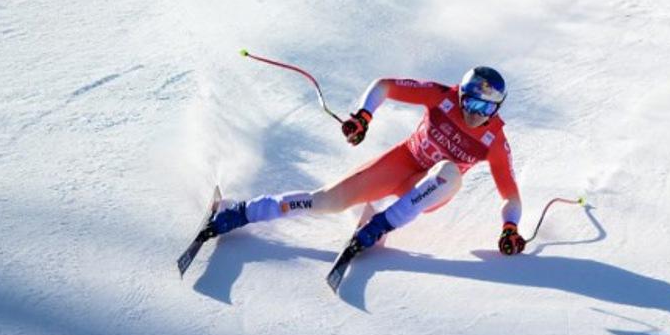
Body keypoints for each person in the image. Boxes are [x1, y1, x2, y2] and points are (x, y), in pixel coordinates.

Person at [205, 66, 527, 256]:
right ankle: (242, 212)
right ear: (460, 96)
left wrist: (509, 227)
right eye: (470, 103)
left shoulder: (495, 141)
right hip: (401, 162)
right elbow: (384, 86)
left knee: (449, 171)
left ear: (496, 110)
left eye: (484, 109)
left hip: (427, 189)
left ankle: (381, 224)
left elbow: (510, 194)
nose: (473, 114)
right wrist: (363, 116)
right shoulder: (442, 97)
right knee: (327, 200)